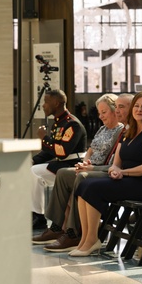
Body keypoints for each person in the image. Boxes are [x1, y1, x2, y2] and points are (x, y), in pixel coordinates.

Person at [71, 92, 142, 257]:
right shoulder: (128, 133)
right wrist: (113, 170)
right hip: (125, 179)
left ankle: (92, 240)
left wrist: (122, 172)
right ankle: (86, 239)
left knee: (93, 188)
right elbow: (117, 162)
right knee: (83, 185)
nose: (139, 109)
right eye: (136, 106)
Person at [34, 94, 126, 250]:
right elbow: (89, 150)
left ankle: (73, 233)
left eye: (104, 112)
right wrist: (84, 162)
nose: (100, 116)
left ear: (113, 111)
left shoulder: (121, 130)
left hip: (104, 169)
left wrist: (90, 168)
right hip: (90, 166)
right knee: (63, 173)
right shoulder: (103, 129)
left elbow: (114, 162)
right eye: (99, 112)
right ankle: (57, 227)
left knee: (80, 178)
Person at [31, 89, 87, 229]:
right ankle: (37, 215)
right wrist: (34, 159)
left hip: (71, 165)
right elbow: (51, 151)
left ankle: (38, 216)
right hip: (61, 163)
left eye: (46, 102)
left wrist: (44, 138)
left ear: (56, 103)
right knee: (31, 168)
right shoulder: (59, 123)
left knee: (33, 172)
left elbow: (61, 151)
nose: (43, 105)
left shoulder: (72, 124)